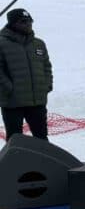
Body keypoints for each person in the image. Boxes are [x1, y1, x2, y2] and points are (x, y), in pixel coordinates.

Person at [0, 9, 53, 140]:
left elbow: (46, 67)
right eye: (23, 22)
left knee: (41, 138)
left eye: (30, 21)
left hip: (37, 101)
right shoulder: (2, 44)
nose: (28, 24)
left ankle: (42, 161)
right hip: (12, 102)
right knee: (15, 139)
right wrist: (9, 88)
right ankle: (15, 161)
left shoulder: (39, 44)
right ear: (12, 24)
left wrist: (46, 85)